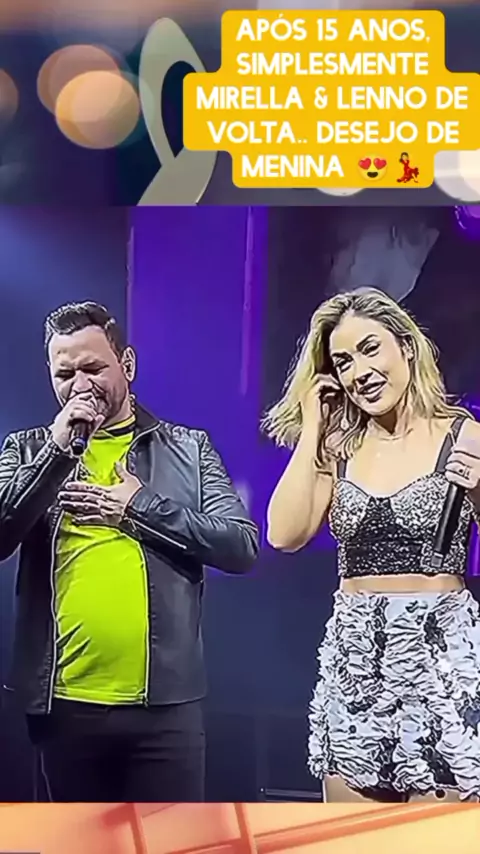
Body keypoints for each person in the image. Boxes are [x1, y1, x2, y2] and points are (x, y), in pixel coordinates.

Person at [0, 301, 258, 802]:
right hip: (63, 707)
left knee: (171, 838)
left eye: (93, 368)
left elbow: (241, 546)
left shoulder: (188, 448)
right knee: (77, 839)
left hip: (165, 711)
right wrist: (56, 453)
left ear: (128, 364)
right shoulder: (28, 449)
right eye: (65, 374)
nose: (80, 385)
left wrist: (139, 507)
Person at [263, 287, 480, 803]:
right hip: (357, 661)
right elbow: (283, 535)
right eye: (343, 362)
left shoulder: (464, 433)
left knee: (439, 835)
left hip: (439, 660)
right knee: (351, 834)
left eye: (370, 349)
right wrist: (313, 428)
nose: (359, 371)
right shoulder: (338, 448)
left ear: (406, 346)